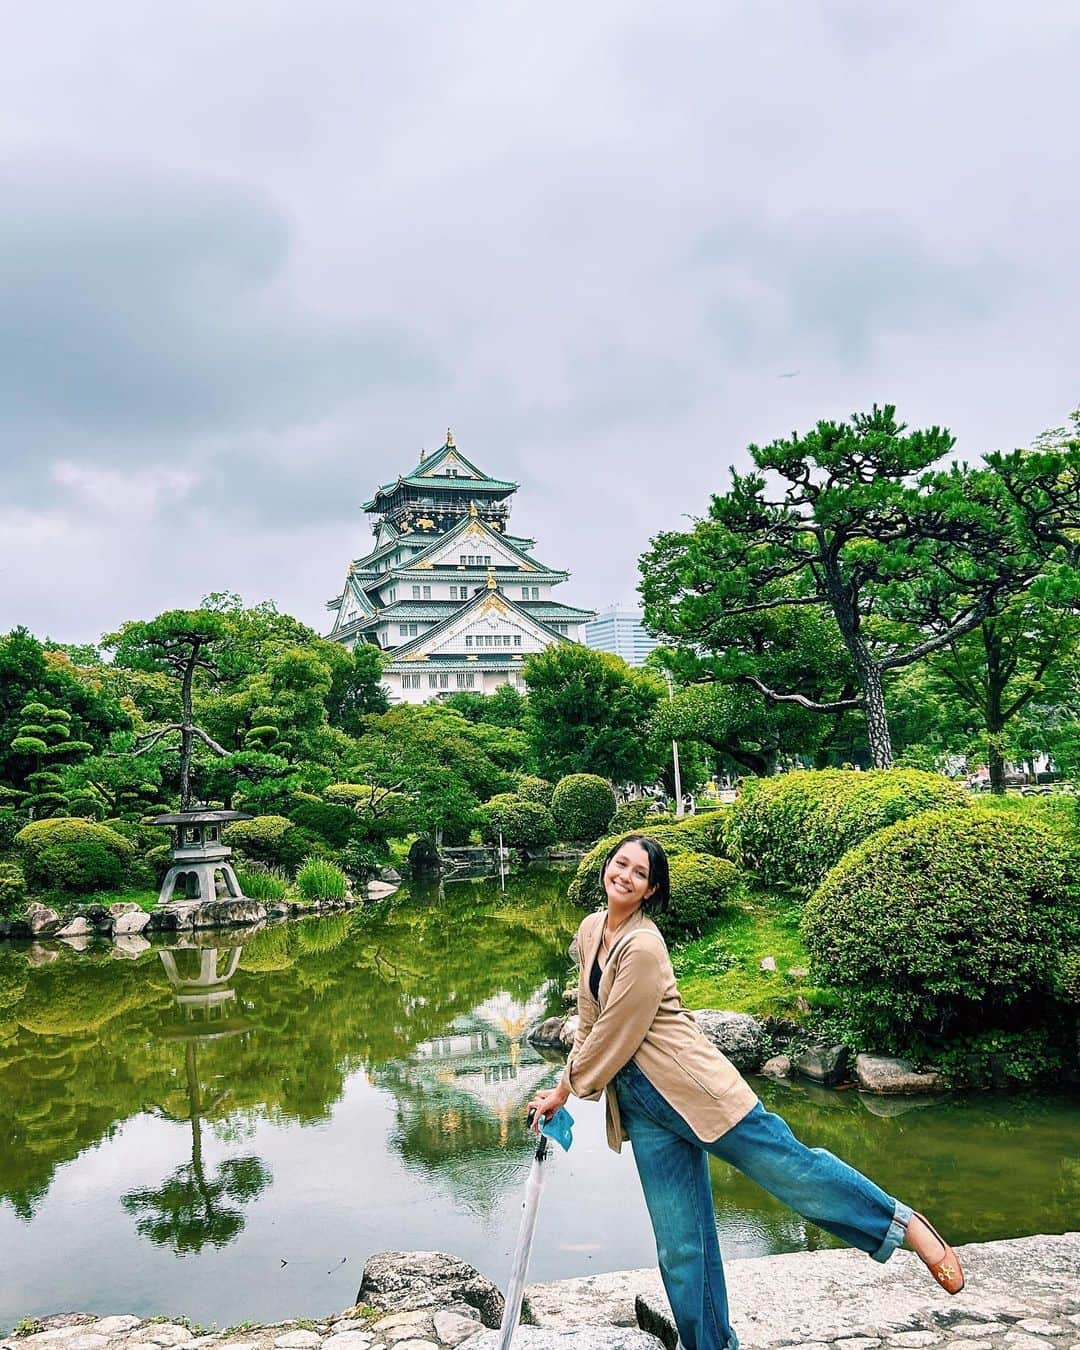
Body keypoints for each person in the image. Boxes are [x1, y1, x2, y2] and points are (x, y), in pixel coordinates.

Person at [528, 834, 964, 1350]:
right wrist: (561, 1086)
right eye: (620, 864)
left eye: (639, 873)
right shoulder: (591, 928)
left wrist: (567, 1089)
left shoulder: (644, 945)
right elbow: (588, 1017)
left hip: (695, 1090)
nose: (625, 875)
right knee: (680, 1248)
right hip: (643, 1109)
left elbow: (615, 1032)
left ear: (650, 890)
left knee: (792, 1170)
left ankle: (902, 1224)